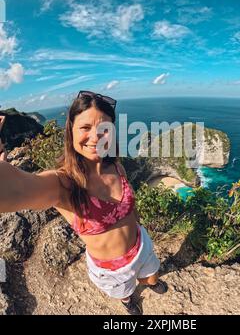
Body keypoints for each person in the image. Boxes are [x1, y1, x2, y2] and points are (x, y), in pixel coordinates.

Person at [0, 91, 167, 315]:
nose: (96, 136)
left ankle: (150, 282)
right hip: (112, 270)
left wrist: (138, 222)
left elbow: (130, 206)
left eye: (104, 129)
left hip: (141, 245)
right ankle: (128, 301)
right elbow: (15, 191)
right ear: (71, 131)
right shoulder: (63, 184)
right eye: (86, 127)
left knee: (151, 276)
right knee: (125, 292)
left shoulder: (116, 165)